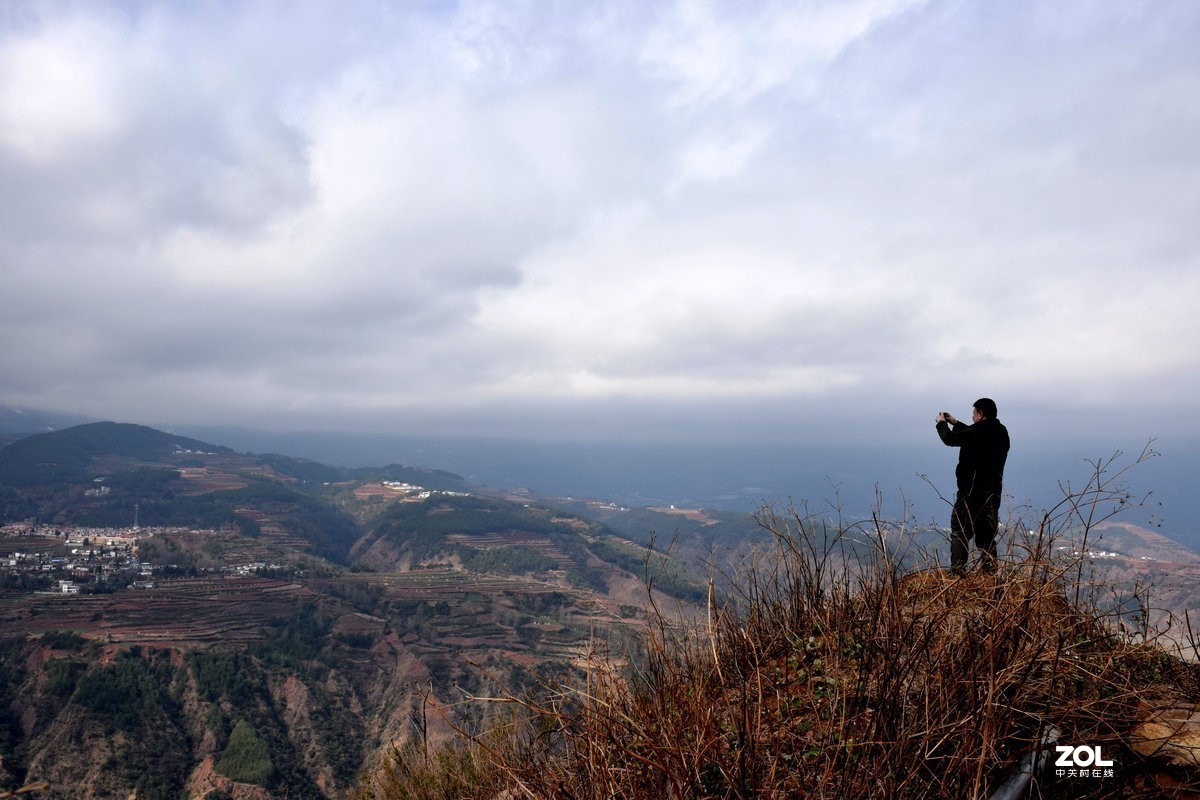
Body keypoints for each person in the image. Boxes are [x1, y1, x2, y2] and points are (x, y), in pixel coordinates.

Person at [936, 398, 1010, 574]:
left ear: (981, 414)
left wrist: (941, 424)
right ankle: (990, 573)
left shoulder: (976, 432)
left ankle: (957, 572)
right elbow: (973, 435)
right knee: (986, 535)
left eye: (974, 413)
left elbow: (950, 439)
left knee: (960, 530)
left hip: (971, 492)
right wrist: (956, 422)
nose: (972, 416)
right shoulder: (1001, 432)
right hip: (993, 493)